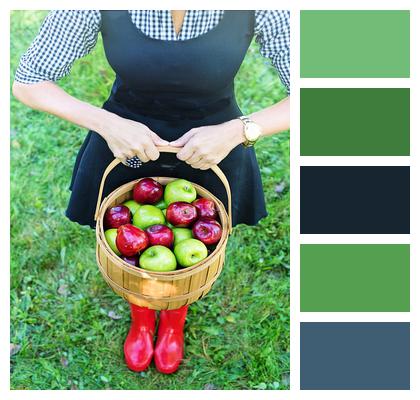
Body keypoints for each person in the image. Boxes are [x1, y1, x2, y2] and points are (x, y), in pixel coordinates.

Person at [13, 10, 290, 374]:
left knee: (196, 249)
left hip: (213, 147)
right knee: (129, 245)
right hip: (124, 143)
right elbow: (29, 81)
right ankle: (142, 315)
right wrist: (106, 123)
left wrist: (239, 131)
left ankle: (175, 314)